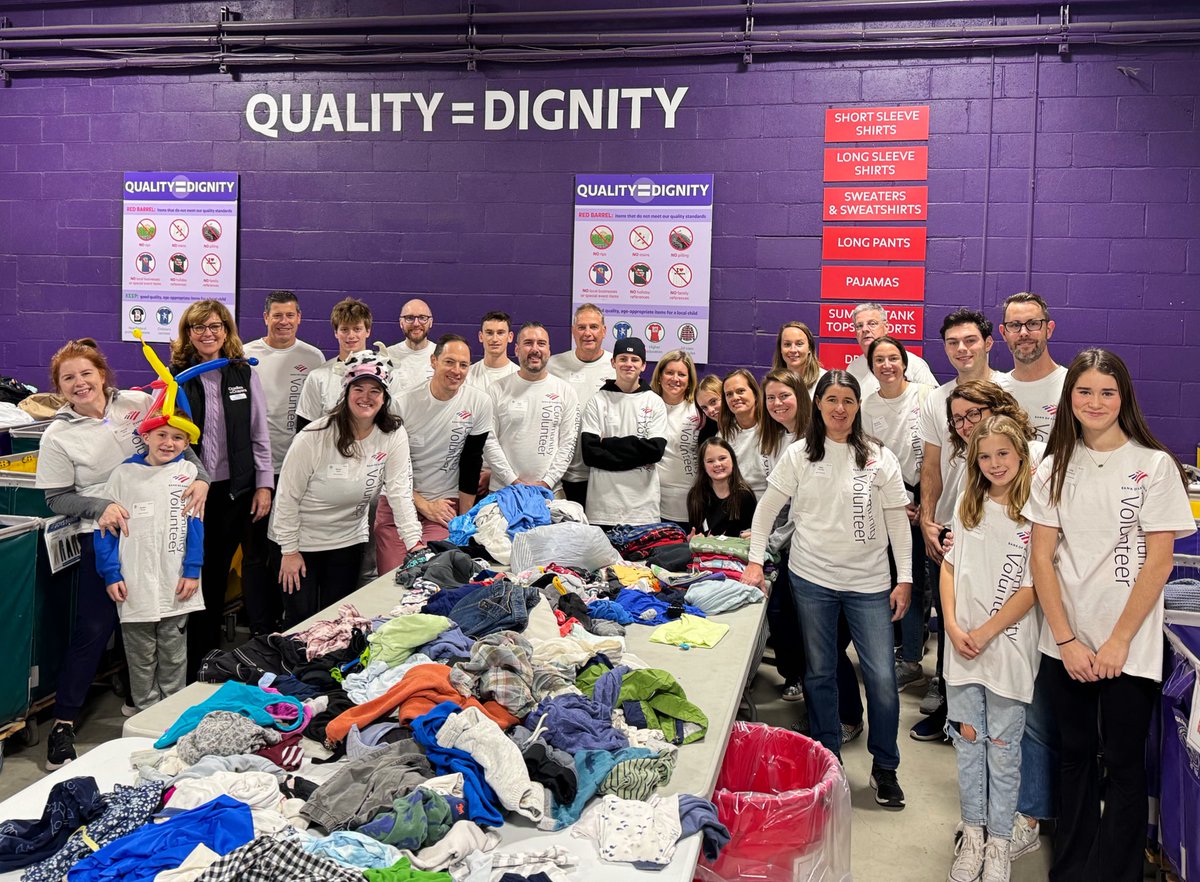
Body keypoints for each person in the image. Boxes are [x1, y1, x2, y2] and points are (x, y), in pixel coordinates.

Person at [1026, 349, 1194, 882]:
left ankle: (1115, 873)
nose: (1095, 402)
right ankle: (1071, 869)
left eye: (1107, 392)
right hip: (1066, 640)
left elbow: (1159, 562)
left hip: (1130, 645)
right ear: (1069, 398)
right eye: (1084, 391)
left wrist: (1119, 641)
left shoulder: (1154, 465)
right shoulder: (1053, 465)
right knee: (1074, 755)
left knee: (1123, 765)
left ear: (1123, 397)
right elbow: (1041, 559)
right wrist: (1067, 639)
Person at [742, 371, 913, 810]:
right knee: (819, 673)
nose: (840, 408)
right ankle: (829, 760)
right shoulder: (800, 455)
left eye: (849, 401)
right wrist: (755, 563)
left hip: (870, 583)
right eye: (832, 399)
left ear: (859, 407)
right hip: (812, 578)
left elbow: (897, 521)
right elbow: (766, 512)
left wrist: (906, 578)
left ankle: (885, 767)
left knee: (881, 678)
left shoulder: (879, 457)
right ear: (818, 404)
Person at [36, 339, 209, 769]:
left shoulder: (136, 402)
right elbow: (57, 498)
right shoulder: (58, 436)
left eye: (86, 373)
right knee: (95, 628)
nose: (80, 383)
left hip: (161, 535)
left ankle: (155, 705)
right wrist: (101, 508)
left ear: (102, 375)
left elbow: (178, 441)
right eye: (68, 378)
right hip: (108, 538)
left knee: (163, 625)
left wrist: (202, 479)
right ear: (59, 387)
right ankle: (64, 722)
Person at [942, 416, 1040, 882]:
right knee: (967, 742)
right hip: (961, 647)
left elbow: (1032, 586)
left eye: (1003, 453)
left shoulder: (1037, 509)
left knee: (1003, 747)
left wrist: (986, 632)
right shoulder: (969, 502)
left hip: (1009, 648)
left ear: (1020, 454)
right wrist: (954, 624)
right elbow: (949, 567)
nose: (994, 463)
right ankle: (974, 834)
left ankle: (1001, 839)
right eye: (985, 456)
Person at [271, 350, 422, 626]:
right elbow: (287, 497)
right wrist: (289, 551)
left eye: (375, 390)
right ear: (346, 391)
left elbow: (400, 491)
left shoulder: (393, 434)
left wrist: (414, 543)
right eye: (359, 388)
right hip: (302, 541)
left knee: (337, 623)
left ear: (385, 397)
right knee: (300, 622)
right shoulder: (314, 436)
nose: (366, 397)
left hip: (348, 540)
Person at [917, 309, 1010, 725]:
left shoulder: (1008, 390)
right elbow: (931, 466)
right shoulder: (937, 399)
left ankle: (998, 711)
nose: (962, 349)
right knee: (950, 613)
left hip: (1004, 528)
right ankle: (949, 701)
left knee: (998, 615)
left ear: (988, 343)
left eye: (970, 340)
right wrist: (927, 521)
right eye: (953, 342)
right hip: (953, 525)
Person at [171, 299, 273, 675]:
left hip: (239, 490)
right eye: (199, 327)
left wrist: (264, 485)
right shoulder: (175, 376)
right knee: (207, 576)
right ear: (188, 334)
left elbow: (259, 434)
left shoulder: (243, 373)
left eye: (216, 326)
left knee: (255, 566)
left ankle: (262, 646)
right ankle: (203, 658)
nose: (208, 333)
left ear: (227, 331)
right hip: (195, 493)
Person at [94, 419, 205, 713]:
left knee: (173, 653)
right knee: (140, 656)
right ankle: (145, 712)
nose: (169, 443)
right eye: (162, 435)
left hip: (176, 580)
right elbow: (105, 529)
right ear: (145, 436)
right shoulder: (123, 474)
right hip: (134, 580)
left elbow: (195, 524)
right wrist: (111, 573)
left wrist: (192, 570)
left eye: (178, 438)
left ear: (187, 444)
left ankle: (171, 713)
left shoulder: (189, 473)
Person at [242, 290, 325, 635]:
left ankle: (287, 623)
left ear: (299, 318)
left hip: (299, 471)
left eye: (290, 315)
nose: (283, 321)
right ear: (265, 318)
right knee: (256, 552)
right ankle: (259, 626)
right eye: (277, 315)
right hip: (256, 470)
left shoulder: (313, 357)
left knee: (288, 548)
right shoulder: (245, 355)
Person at [375, 334, 492, 573]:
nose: (456, 370)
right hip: (400, 502)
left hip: (444, 507)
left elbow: (471, 463)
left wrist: (463, 521)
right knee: (391, 578)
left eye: (463, 364)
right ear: (433, 361)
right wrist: (424, 505)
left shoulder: (479, 403)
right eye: (449, 362)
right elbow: (387, 468)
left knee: (432, 578)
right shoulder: (401, 404)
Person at [861, 336, 932, 693]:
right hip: (891, 501)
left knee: (916, 580)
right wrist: (898, 500)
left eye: (893, 358)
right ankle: (891, 648)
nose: (887, 365)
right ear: (871, 367)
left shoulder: (925, 396)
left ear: (904, 362)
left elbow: (937, 451)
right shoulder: (867, 405)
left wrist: (926, 502)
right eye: (879, 360)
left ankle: (912, 658)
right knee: (891, 576)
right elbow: (872, 459)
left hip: (928, 498)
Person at [579, 337, 668, 528]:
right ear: (613, 362)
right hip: (602, 509)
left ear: (643, 365)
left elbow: (655, 451)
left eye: (635, 360)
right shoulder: (598, 401)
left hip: (643, 510)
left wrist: (607, 444)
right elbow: (590, 454)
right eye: (623, 358)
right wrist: (638, 452)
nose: (629, 364)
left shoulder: (654, 402)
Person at [483, 322, 579, 495]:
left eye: (541, 343)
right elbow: (489, 441)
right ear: (517, 350)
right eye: (528, 343)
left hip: (550, 492)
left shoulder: (566, 391)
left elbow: (568, 443)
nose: (535, 349)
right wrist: (512, 481)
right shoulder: (496, 390)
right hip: (504, 491)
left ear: (549, 351)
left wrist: (547, 482)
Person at [548, 303, 613, 506]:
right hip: (559, 472)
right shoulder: (553, 365)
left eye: (593, 327)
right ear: (573, 331)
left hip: (600, 473)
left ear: (604, 331)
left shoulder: (616, 366)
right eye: (582, 327)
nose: (588, 333)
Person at [296, 297, 373, 430]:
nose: (351, 335)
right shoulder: (318, 377)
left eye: (357, 329)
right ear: (336, 333)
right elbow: (305, 429)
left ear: (368, 331)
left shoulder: (385, 373)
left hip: (374, 449)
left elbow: (392, 422)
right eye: (344, 330)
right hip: (328, 448)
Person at [998, 292, 1066, 443]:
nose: (1023, 333)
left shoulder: (1072, 385)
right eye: (1015, 325)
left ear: (1049, 329)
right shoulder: (996, 391)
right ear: (1003, 333)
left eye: (1033, 323)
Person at [651, 350, 704, 527]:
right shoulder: (647, 405)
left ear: (689, 380)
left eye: (682, 374)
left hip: (690, 501)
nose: (675, 378)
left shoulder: (698, 410)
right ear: (659, 376)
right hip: (652, 500)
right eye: (669, 373)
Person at [847, 303, 938, 398]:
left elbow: (935, 403)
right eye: (859, 326)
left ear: (886, 327)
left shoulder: (914, 364)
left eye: (872, 324)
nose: (865, 329)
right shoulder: (853, 368)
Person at [686, 437, 757, 537]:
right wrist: (694, 539)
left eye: (722, 458)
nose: (717, 464)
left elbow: (748, 533)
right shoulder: (695, 495)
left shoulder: (745, 495)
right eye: (710, 461)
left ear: (733, 459)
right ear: (703, 466)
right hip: (704, 551)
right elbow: (694, 531)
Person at [718, 369, 767, 496]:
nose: (735, 398)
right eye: (729, 394)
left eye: (740, 391)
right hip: (737, 501)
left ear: (755, 393)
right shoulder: (723, 434)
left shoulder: (773, 428)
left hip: (772, 502)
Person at [388, 297, 436, 393]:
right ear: (401, 323)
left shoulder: (441, 355)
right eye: (409, 318)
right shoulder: (387, 356)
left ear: (430, 322)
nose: (416, 323)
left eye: (423, 318)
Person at [465, 310, 519, 390]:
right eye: (489, 333)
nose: (494, 339)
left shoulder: (520, 376)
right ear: (481, 336)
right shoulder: (467, 375)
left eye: (500, 333)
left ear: (510, 337)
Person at [771, 321, 826, 397]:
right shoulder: (772, 382)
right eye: (787, 344)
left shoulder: (824, 381)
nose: (793, 350)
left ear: (810, 348)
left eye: (799, 344)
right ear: (780, 349)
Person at [695, 373, 723, 443]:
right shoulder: (706, 435)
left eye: (713, 401)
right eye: (704, 407)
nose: (710, 410)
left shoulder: (746, 426)